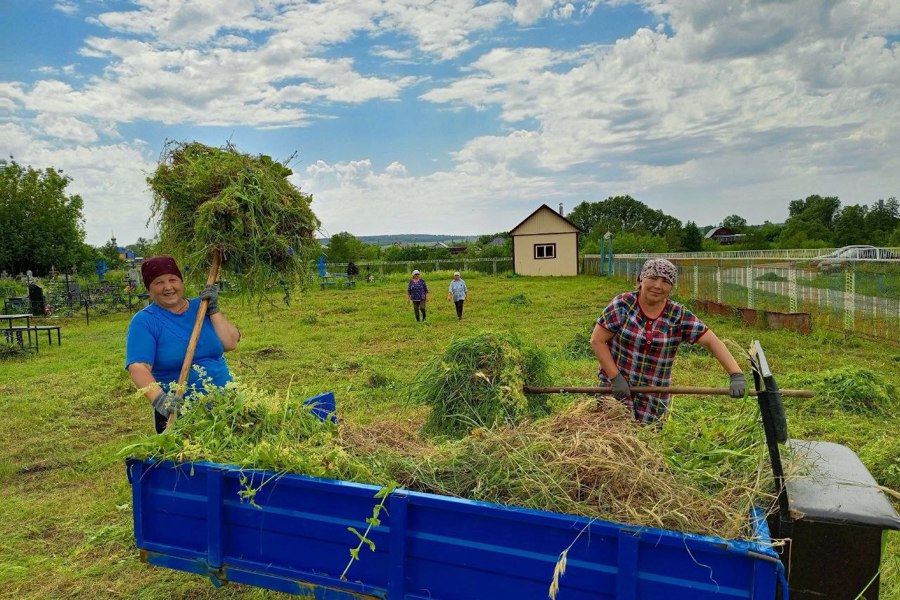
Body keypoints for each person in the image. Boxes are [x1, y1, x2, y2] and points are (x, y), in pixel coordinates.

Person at [589, 258, 746, 425]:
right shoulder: (623, 304)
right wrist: (615, 378)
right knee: (614, 438)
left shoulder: (677, 314)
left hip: (654, 393)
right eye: (653, 278)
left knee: (646, 441)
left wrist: (736, 374)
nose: (658, 285)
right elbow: (597, 341)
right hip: (616, 388)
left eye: (665, 281)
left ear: (671, 287)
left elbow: (711, 342)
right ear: (641, 279)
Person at [125, 256, 241, 433]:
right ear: (149, 289)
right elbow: (138, 367)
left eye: (173, 279)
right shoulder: (145, 321)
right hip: (181, 412)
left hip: (226, 402)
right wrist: (160, 400)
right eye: (158, 282)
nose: (168, 287)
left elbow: (231, 342)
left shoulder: (202, 307)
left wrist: (214, 311)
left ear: (181, 282)